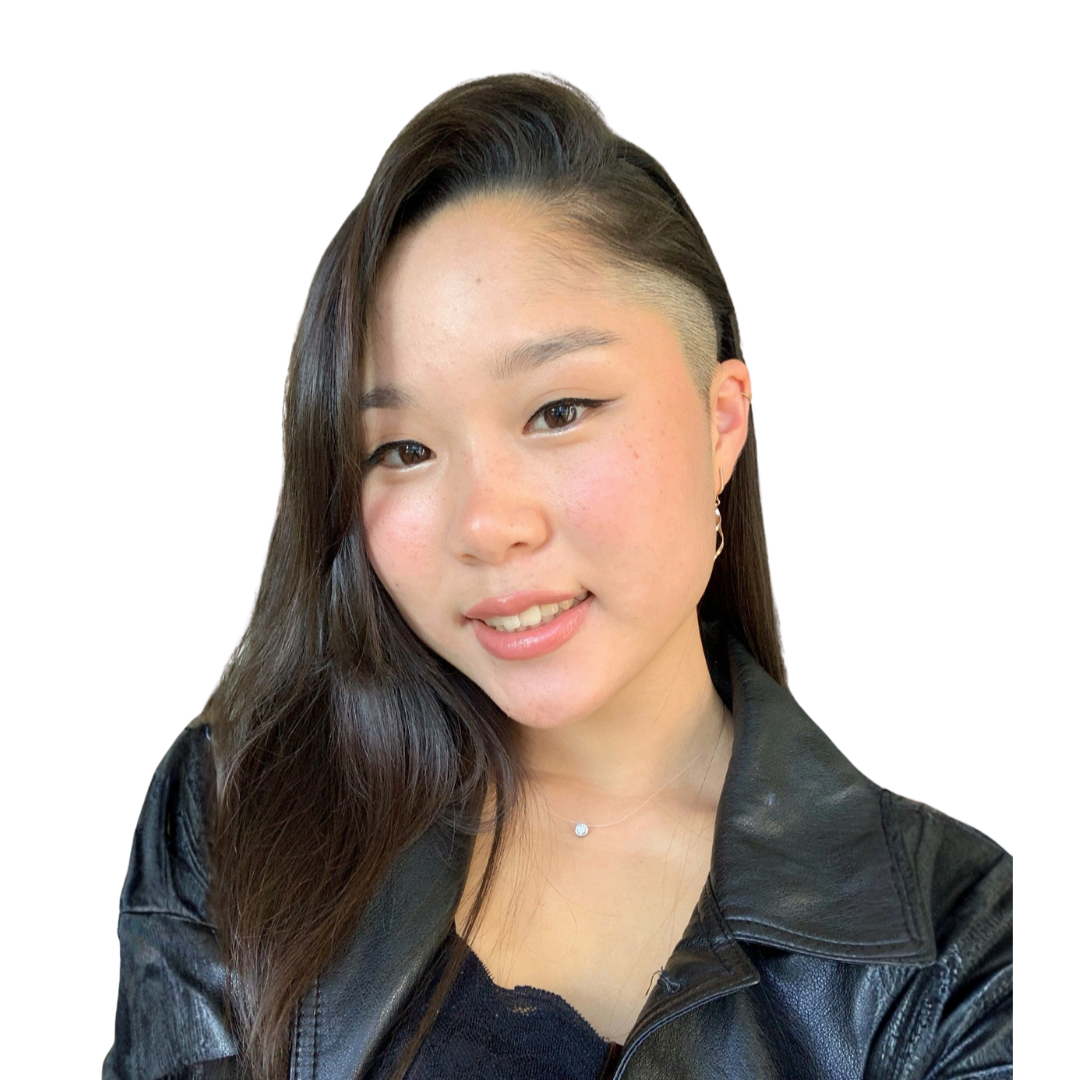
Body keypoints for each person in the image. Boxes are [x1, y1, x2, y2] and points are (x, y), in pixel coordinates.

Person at [103, 74, 1013, 1080]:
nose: (489, 526)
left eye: (559, 410)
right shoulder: (241, 816)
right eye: (401, 450)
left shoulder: (961, 950)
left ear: (721, 420)